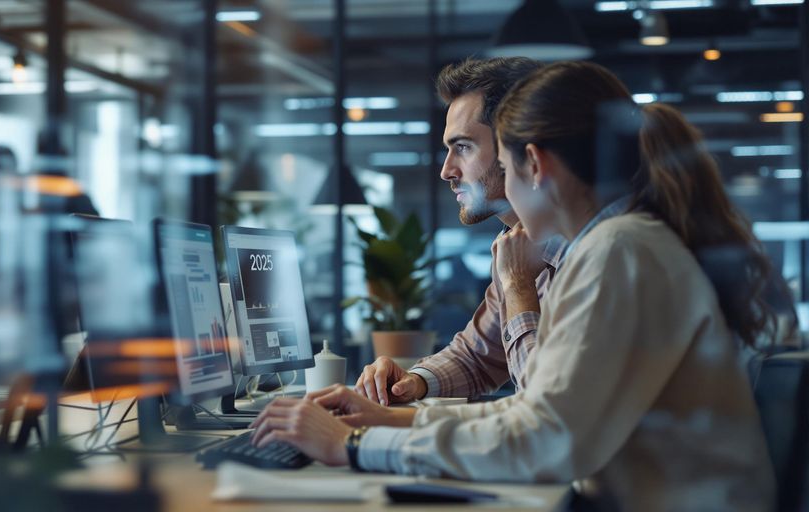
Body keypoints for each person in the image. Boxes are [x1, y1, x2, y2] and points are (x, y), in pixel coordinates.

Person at [250, 61, 776, 510]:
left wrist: (358, 444)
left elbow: (546, 434)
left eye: (500, 163)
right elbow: (542, 412)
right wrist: (392, 420)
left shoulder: (621, 252)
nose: (449, 172)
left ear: (536, 166)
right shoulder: (621, 243)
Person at [357, 56, 559, 407]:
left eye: (463, 147)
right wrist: (414, 381)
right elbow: (479, 356)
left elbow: (547, 410)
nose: (447, 170)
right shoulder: (515, 244)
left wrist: (518, 284)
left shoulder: (590, 249)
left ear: (519, 148)